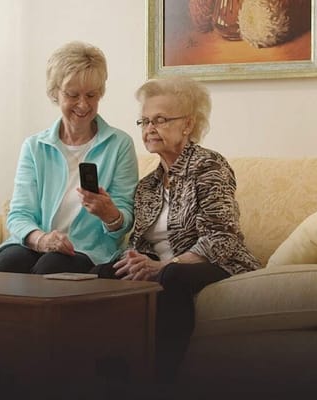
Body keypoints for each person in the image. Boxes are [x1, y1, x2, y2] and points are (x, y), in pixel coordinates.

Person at [92, 76, 261, 383]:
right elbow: (142, 244)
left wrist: (163, 265)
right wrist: (135, 263)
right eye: (144, 120)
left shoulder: (209, 166)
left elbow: (220, 238)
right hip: (165, 269)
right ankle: (110, 383)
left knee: (172, 276)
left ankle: (161, 383)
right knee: (106, 274)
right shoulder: (148, 185)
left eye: (160, 120)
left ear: (187, 124)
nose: (149, 129)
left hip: (217, 264)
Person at [0, 41, 139, 275]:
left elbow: (124, 222)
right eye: (72, 94)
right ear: (55, 93)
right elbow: (19, 214)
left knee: (52, 267)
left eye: (91, 95)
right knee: (7, 265)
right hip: (34, 243)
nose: (83, 104)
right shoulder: (35, 147)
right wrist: (41, 239)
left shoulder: (119, 145)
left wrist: (110, 214)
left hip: (87, 251)